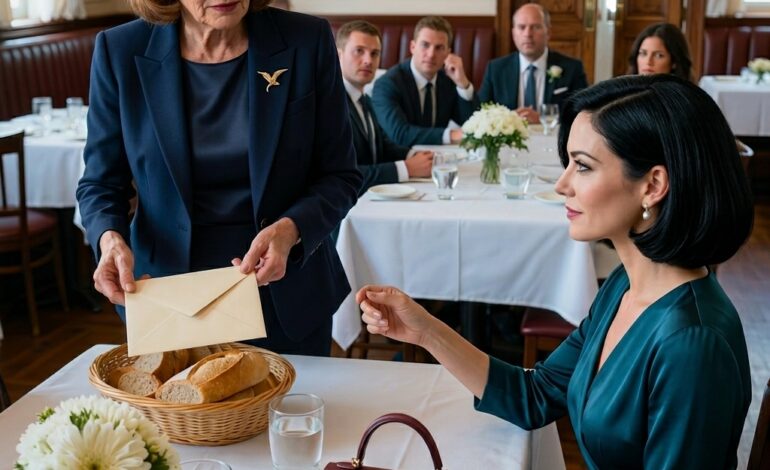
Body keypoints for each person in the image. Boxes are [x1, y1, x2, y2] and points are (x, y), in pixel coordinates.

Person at [357, 75, 754, 468]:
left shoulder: (691, 343)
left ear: (652, 186)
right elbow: (536, 395)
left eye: (582, 166)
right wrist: (425, 331)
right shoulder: (626, 285)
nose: (563, 184)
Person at [76, 2, 362, 356]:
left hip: (285, 288)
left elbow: (340, 174)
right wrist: (109, 240)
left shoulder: (306, 40)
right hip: (169, 297)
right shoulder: (120, 50)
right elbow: (101, 183)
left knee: (296, 395)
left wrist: (292, 229)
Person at [336, 20, 434, 193]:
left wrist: (414, 155)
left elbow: (380, 147)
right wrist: (406, 168)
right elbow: (341, 175)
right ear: (338, 55)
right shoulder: (330, 105)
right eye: (359, 51)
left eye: (374, 53)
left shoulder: (365, 99)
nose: (368, 60)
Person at [371, 16, 479, 147]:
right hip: (401, 156)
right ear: (412, 47)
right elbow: (400, 133)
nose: (431, 54)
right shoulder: (388, 84)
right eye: (425, 45)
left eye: (439, 48)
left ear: (447, 53)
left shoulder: (448, 81)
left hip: (440, 156)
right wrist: (451, 135)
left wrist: (462, 84)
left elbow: (473, 124)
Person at [478, 4, 588, 124]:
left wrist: (544, 120)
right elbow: (482, 113)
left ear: (548, 32)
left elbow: (583, 114)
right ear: (513, 34)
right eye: (521, 27)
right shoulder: (496, 69)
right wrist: (510, 119)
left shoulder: (572, 68)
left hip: (552, 135)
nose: (528, 34)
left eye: (535, 27)